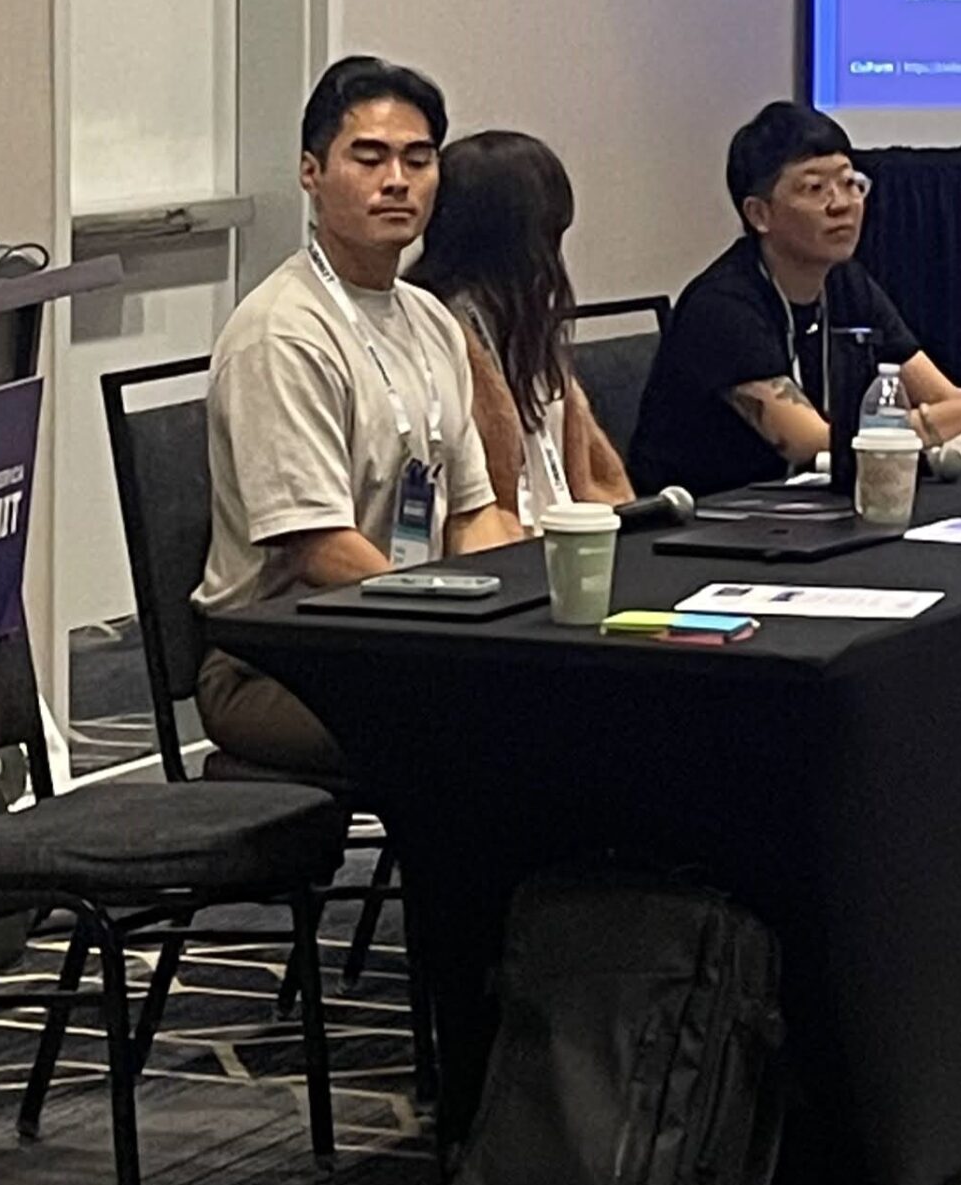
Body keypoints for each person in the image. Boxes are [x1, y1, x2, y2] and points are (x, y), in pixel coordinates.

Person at [193, 58, 524, 773]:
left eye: (418, 159)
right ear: (312, 173)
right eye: (368, 158)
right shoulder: (284, 332)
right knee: (495, 725)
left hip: (403, 631)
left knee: (572, 690)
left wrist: (520, 610)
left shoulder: (428, 317)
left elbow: (474, 512)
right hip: (280, 660)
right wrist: (450, 628)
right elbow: (318, 549)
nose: (397, 181)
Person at [628, 103, 961, 498]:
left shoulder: (844, 281)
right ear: (759, 214)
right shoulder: (722, 308)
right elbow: (816, 442)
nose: (843, 205)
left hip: (800, 509)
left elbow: (941, 395)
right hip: (705, 523)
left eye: (850, 183)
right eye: (815, 189)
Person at [406, 130, 634, 529]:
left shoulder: (525, 321)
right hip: (498, 553)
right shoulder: (434, 329)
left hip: (559, 544)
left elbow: (597, 485)